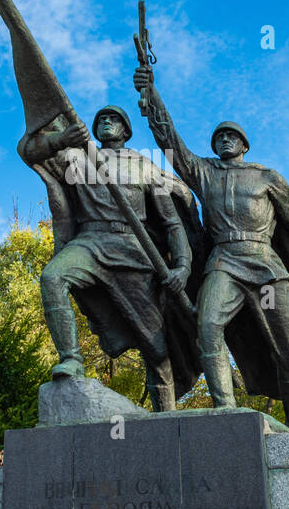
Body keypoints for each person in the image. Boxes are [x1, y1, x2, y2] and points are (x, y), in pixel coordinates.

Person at [132, 65, 289, 439]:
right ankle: (225, 408)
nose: (224, 141)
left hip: (267, 267)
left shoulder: (269, 177)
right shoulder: (203, 172)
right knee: (208, 327)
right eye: (219, 137)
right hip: (225, 263)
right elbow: (171, 142)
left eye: (231, 136)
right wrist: (152, 96)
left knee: (288, 347)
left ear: (245, 144)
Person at [19, 105, 201, 411]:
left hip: (133, 250)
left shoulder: (144, 165)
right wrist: (62, 138)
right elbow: (28, 151)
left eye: (113, 119)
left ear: (126, 130)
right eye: (101, 119)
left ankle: (166, 418)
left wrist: (182, 266)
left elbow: (171, 223)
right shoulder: (79, 157)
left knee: (156, 350)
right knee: (53, 277)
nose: (106, 122)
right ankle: (71, 360)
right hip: (90, 242)